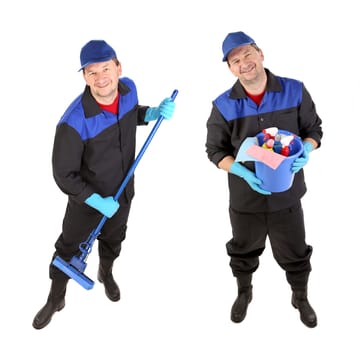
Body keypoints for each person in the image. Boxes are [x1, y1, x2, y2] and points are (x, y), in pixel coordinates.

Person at [32, 40, 176, 330]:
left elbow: (129, 114)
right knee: (67, 249)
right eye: (92, 72)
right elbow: (63, 174)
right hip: (86, 203)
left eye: (106, 69)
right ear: (84, 76)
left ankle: (105, 272)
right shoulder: (73, 122)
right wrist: (96, 200)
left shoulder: (129, 89)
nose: (101, 78)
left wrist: (150, 113)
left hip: (123, 192)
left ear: (118, 68)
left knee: (114, 238)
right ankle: (55, 297)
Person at [205, 31, 323, 328]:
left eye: (247, 54)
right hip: (246, 197)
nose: (243, 63)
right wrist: (241, 170)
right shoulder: (223, 105)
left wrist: (307, 149)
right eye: (235, 60)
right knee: (243, 250)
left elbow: (315, 129)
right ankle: (244, 292)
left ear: (260, 53)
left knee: (296, 251)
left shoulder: (294, 91)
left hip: (288, 195)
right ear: (230, 68)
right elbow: (214, 150)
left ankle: (300, 296)